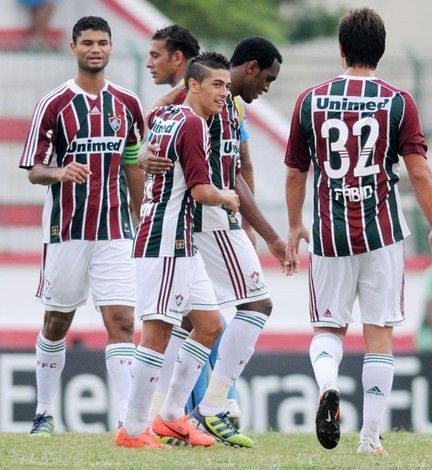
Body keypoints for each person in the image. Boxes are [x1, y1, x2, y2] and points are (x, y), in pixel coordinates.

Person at [284, 8, 432, 456]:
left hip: (330, 236)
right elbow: (419, 171)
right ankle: (369, 438)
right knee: (379, 335)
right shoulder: (398, 101)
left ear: (340, 50)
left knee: (327, 329)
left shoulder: (310, 100)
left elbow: (296, 172)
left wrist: (296, 225)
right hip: (381, 233)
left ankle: (329, 386)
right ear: (381, 50)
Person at [141, 36, 286, 448]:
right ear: (252, 69)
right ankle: (213, 406)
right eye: (268, 79)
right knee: (254, 305)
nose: (267, 88)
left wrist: (263, 233)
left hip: (218, 217)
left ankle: (161, 414)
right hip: (206, 219)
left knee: (188, 323)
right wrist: (144, 152)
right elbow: (158, 112)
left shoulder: (232, 108)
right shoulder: (206, 101)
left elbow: (238, 170)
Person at [18, 16, 145, 435]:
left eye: (103, 42)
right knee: (57, 322)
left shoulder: (127, 104)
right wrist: (58, 173)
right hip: (66, 231)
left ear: (110, 48)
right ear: (73, 47)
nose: (96, 49)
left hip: (114, 232)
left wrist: (139, 214)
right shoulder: (53, 104)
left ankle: (128, 423)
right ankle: (44, 412)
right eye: (87, 42)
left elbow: (131, 163)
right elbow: (34, 170)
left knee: (122, 321)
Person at [115, 51, 240, 449]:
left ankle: (170, 416)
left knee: (209, 324)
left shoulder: (165, 116)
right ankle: (133, 429)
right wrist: (228, 197)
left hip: (180, 243)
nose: (225, 93)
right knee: (157, 331)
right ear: (194, 86)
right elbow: (202, 192)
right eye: (216, 85)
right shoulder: (192, 126)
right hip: (165, 240)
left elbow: (150, 116)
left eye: (227, 85)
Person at [142, 23, 241, 428]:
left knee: (205, 320)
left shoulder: (199, 112)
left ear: (179, 62)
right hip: (180, 229)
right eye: (217, 85)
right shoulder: (182, 115)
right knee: (182, 324)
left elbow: (230, 170)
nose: (150, 63)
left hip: (198, 227)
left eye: (156, 55)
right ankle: (168, 416)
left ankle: (192, 410)